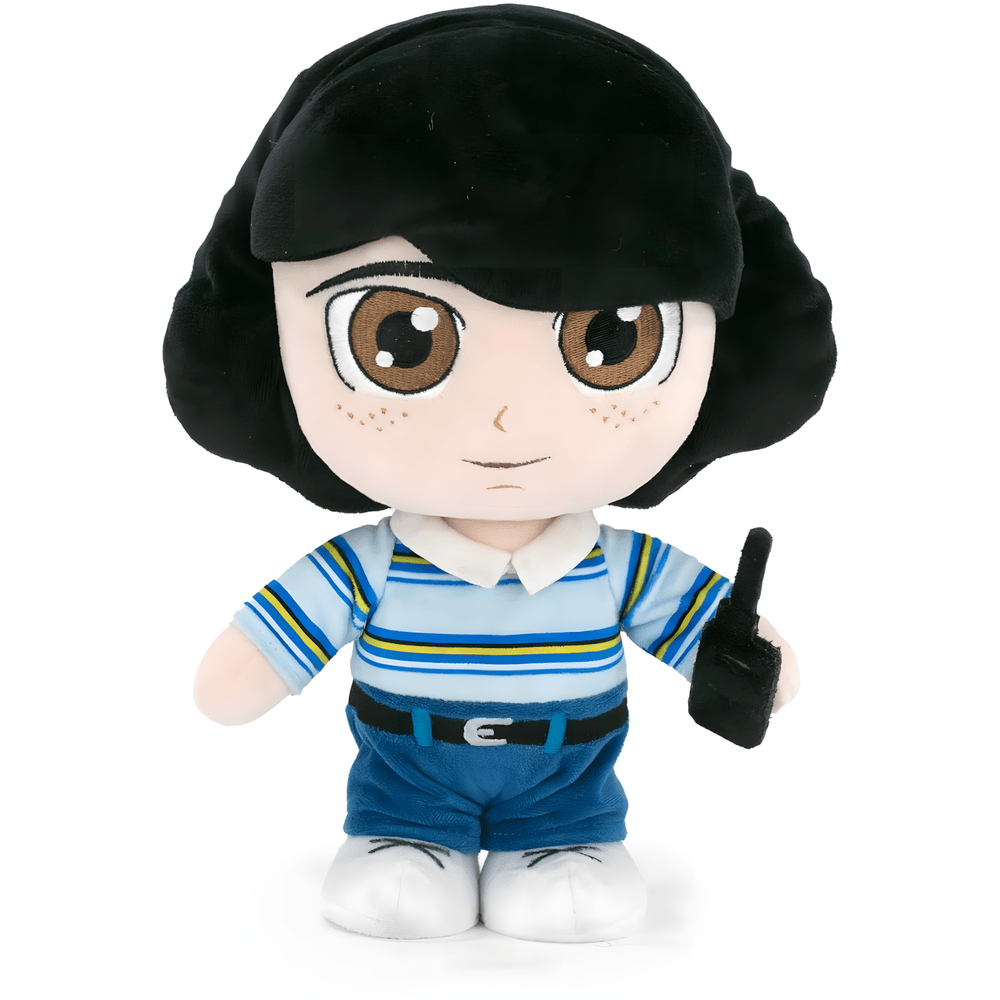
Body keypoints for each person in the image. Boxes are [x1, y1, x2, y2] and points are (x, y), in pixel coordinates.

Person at [164, 5, 834, 943]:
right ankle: (403, 841)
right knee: (402, 870)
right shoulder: (372, 564)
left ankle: (563, 846)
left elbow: (706, 633)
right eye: (399, 340)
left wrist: (742, 662)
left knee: (567, 875)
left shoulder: (619, 567)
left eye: (612, 341)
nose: (507, 421)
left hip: (569, 785)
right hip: (407, 779)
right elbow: (245, 670)